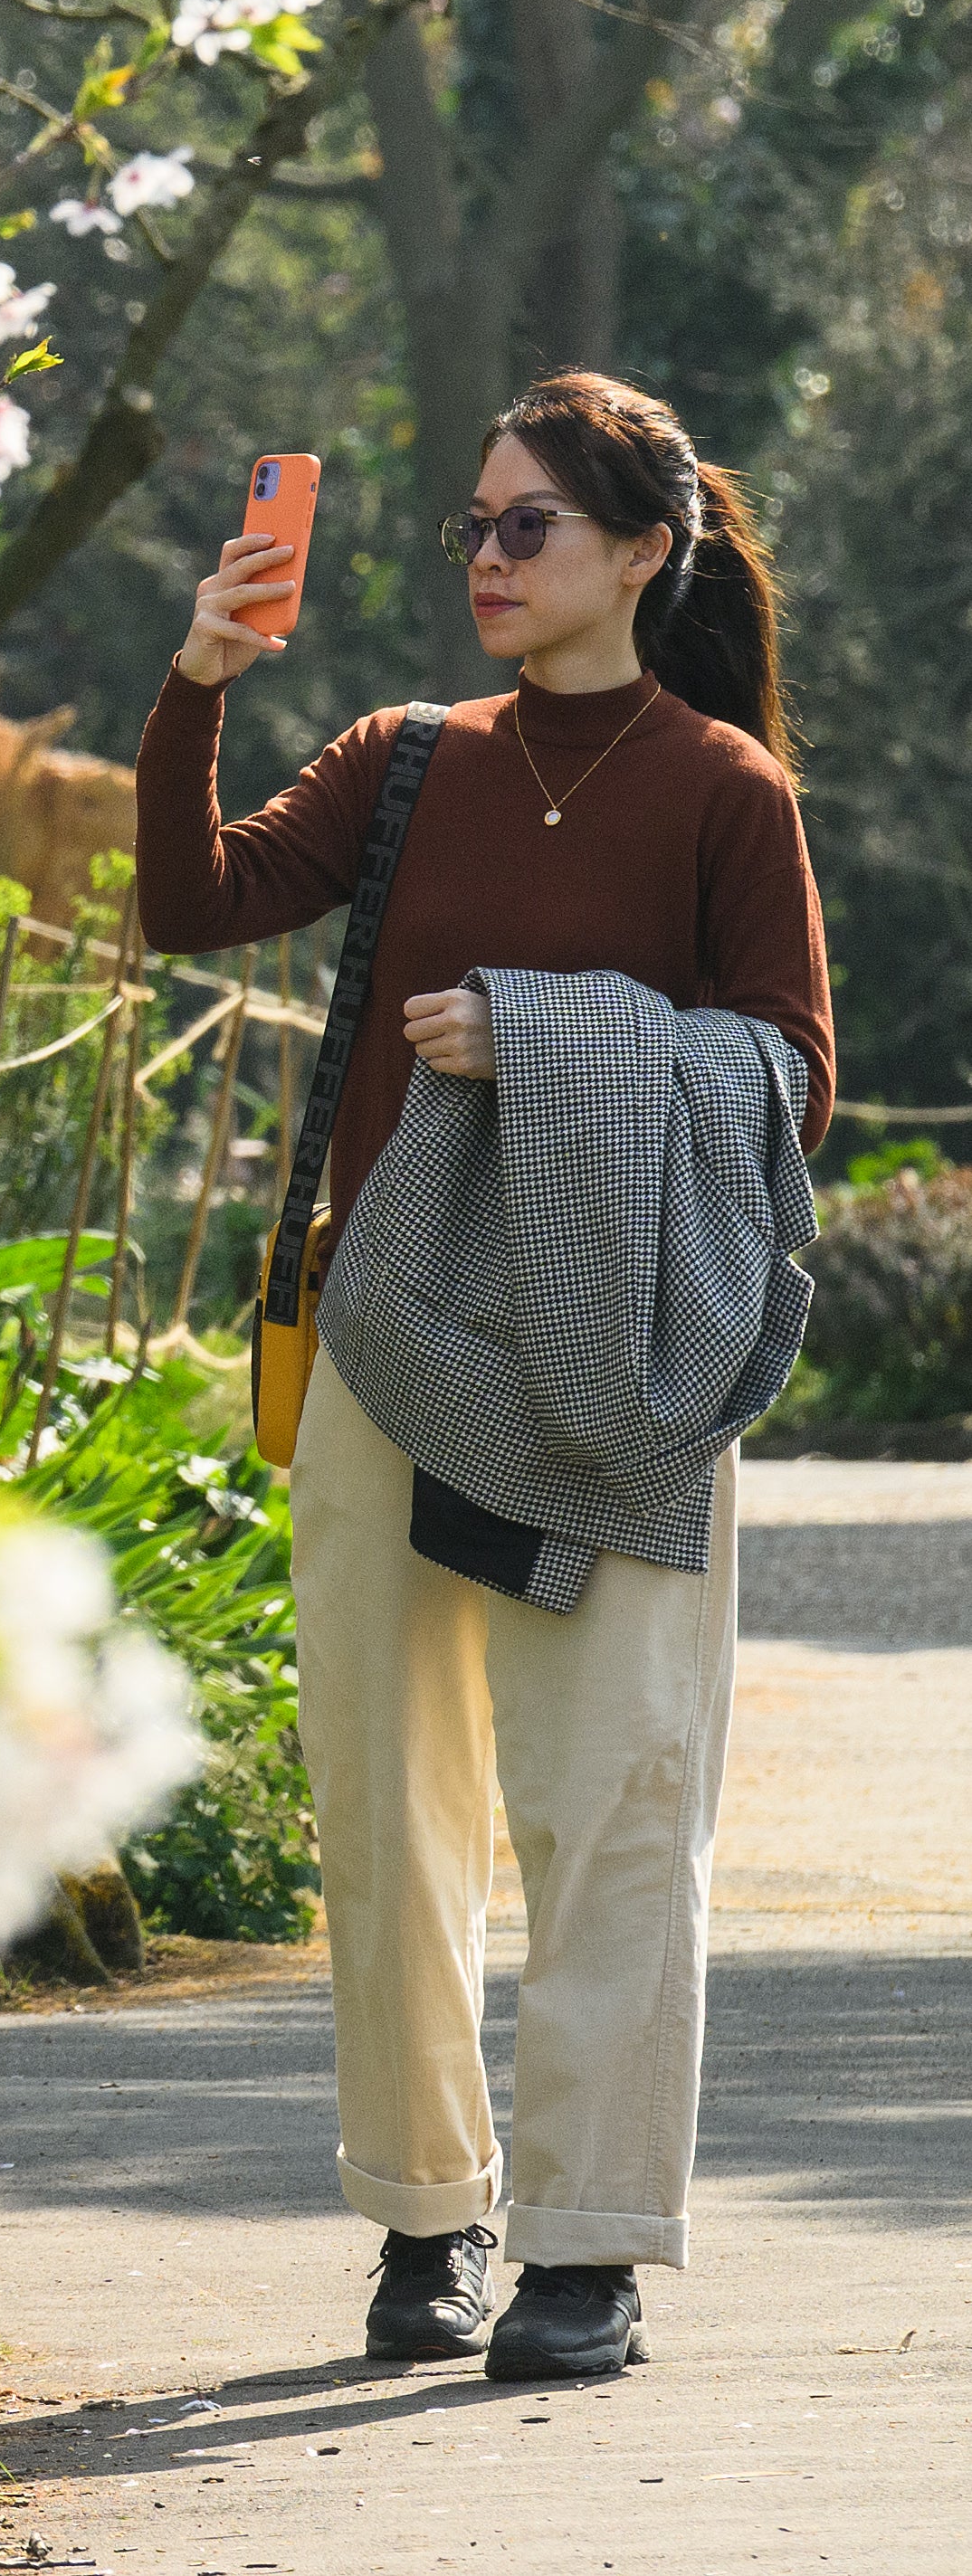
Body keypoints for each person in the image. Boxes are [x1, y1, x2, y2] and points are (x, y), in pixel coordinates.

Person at [135, 368, 833, 2386]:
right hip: (388, 1346)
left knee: (612, 1798)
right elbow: (191, 903)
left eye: (524, 526)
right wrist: (198, 672)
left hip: (615, 1372)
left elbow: (783, 1077)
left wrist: (544, 1033)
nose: (486, 559)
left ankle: (587, 2248)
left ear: (639, 549)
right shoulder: (404, 758)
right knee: (385, 1797)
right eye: (468, 525)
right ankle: (424, 2217)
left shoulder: (721, 789)